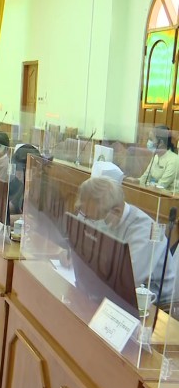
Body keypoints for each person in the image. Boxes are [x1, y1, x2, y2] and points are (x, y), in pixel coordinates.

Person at [75, 176, 175, 304]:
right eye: (85, 215)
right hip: (112, 290)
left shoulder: (146, 230)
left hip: (157, 302)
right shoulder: (96, 211)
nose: (87, 221)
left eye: (93, 219)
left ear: (116, 211)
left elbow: (127, 280)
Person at [138, 125, 179, 191]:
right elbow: (145, 177)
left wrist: (149, 187)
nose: (148, 142)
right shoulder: (155, 157)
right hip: (153, 192)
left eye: (151, 139)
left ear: (161, 143)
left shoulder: (174, 160)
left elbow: (162, 185)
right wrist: (135, 181)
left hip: (168, 195)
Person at [8, 144, 40, 215]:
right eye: (16, 169)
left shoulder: (41, 190)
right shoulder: (23, 185)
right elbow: (12, 206)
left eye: (19, 170)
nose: (16, 175)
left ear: (34, 170)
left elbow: (32, 219)